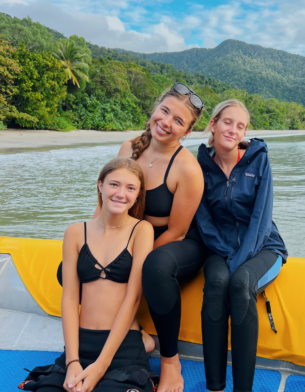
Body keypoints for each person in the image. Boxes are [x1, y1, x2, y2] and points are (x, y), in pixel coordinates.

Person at [19, 158, 156, 392]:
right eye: (114, 184)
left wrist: (101, 366)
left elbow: (133, 298)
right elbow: (70, 299)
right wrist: (72, 361)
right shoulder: (75, 232)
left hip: (120, 343)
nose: (121, 194)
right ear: (100, 185)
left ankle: (143, 342)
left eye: (130, 188)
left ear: (138, 194)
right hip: (80, 343)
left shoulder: (141, 230)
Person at [117, 83, 207, 392]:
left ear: (187, 132)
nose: (167, 122)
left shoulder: (187, 169)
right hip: (136, 233)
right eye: (165, 111)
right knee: (73, 265)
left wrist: (134, 260)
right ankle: (135, 334)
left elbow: (177, 231)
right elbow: (112, 204)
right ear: (155, 109)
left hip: (180, 242)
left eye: (178, 121)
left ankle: (171, 362)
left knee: (152, 267)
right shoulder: (129, 148)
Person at [195, 99, 288, 392]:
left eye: (240, 125)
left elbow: (261, 218)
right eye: (227, 122)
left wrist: (239, 261)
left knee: (240, 282)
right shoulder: (199, 164)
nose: (233, 130)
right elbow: (202, 219)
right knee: (217, 282)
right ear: (213, 124)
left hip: (263, 246)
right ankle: (215, 386)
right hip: (218, 247)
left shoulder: (258, 160)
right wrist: (224, 254)